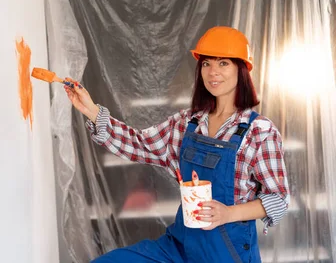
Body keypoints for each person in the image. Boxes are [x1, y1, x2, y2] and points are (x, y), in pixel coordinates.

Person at [63, 26, 290, 262]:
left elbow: (278, 199)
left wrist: (228, 213)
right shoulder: (186, 124)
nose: (213, 72)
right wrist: (91, 111)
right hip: (180, 247)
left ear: (241, 69)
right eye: (206, 63)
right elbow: (139, 144)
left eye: (223, 63)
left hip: (226, 253)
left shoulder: (259, 131)